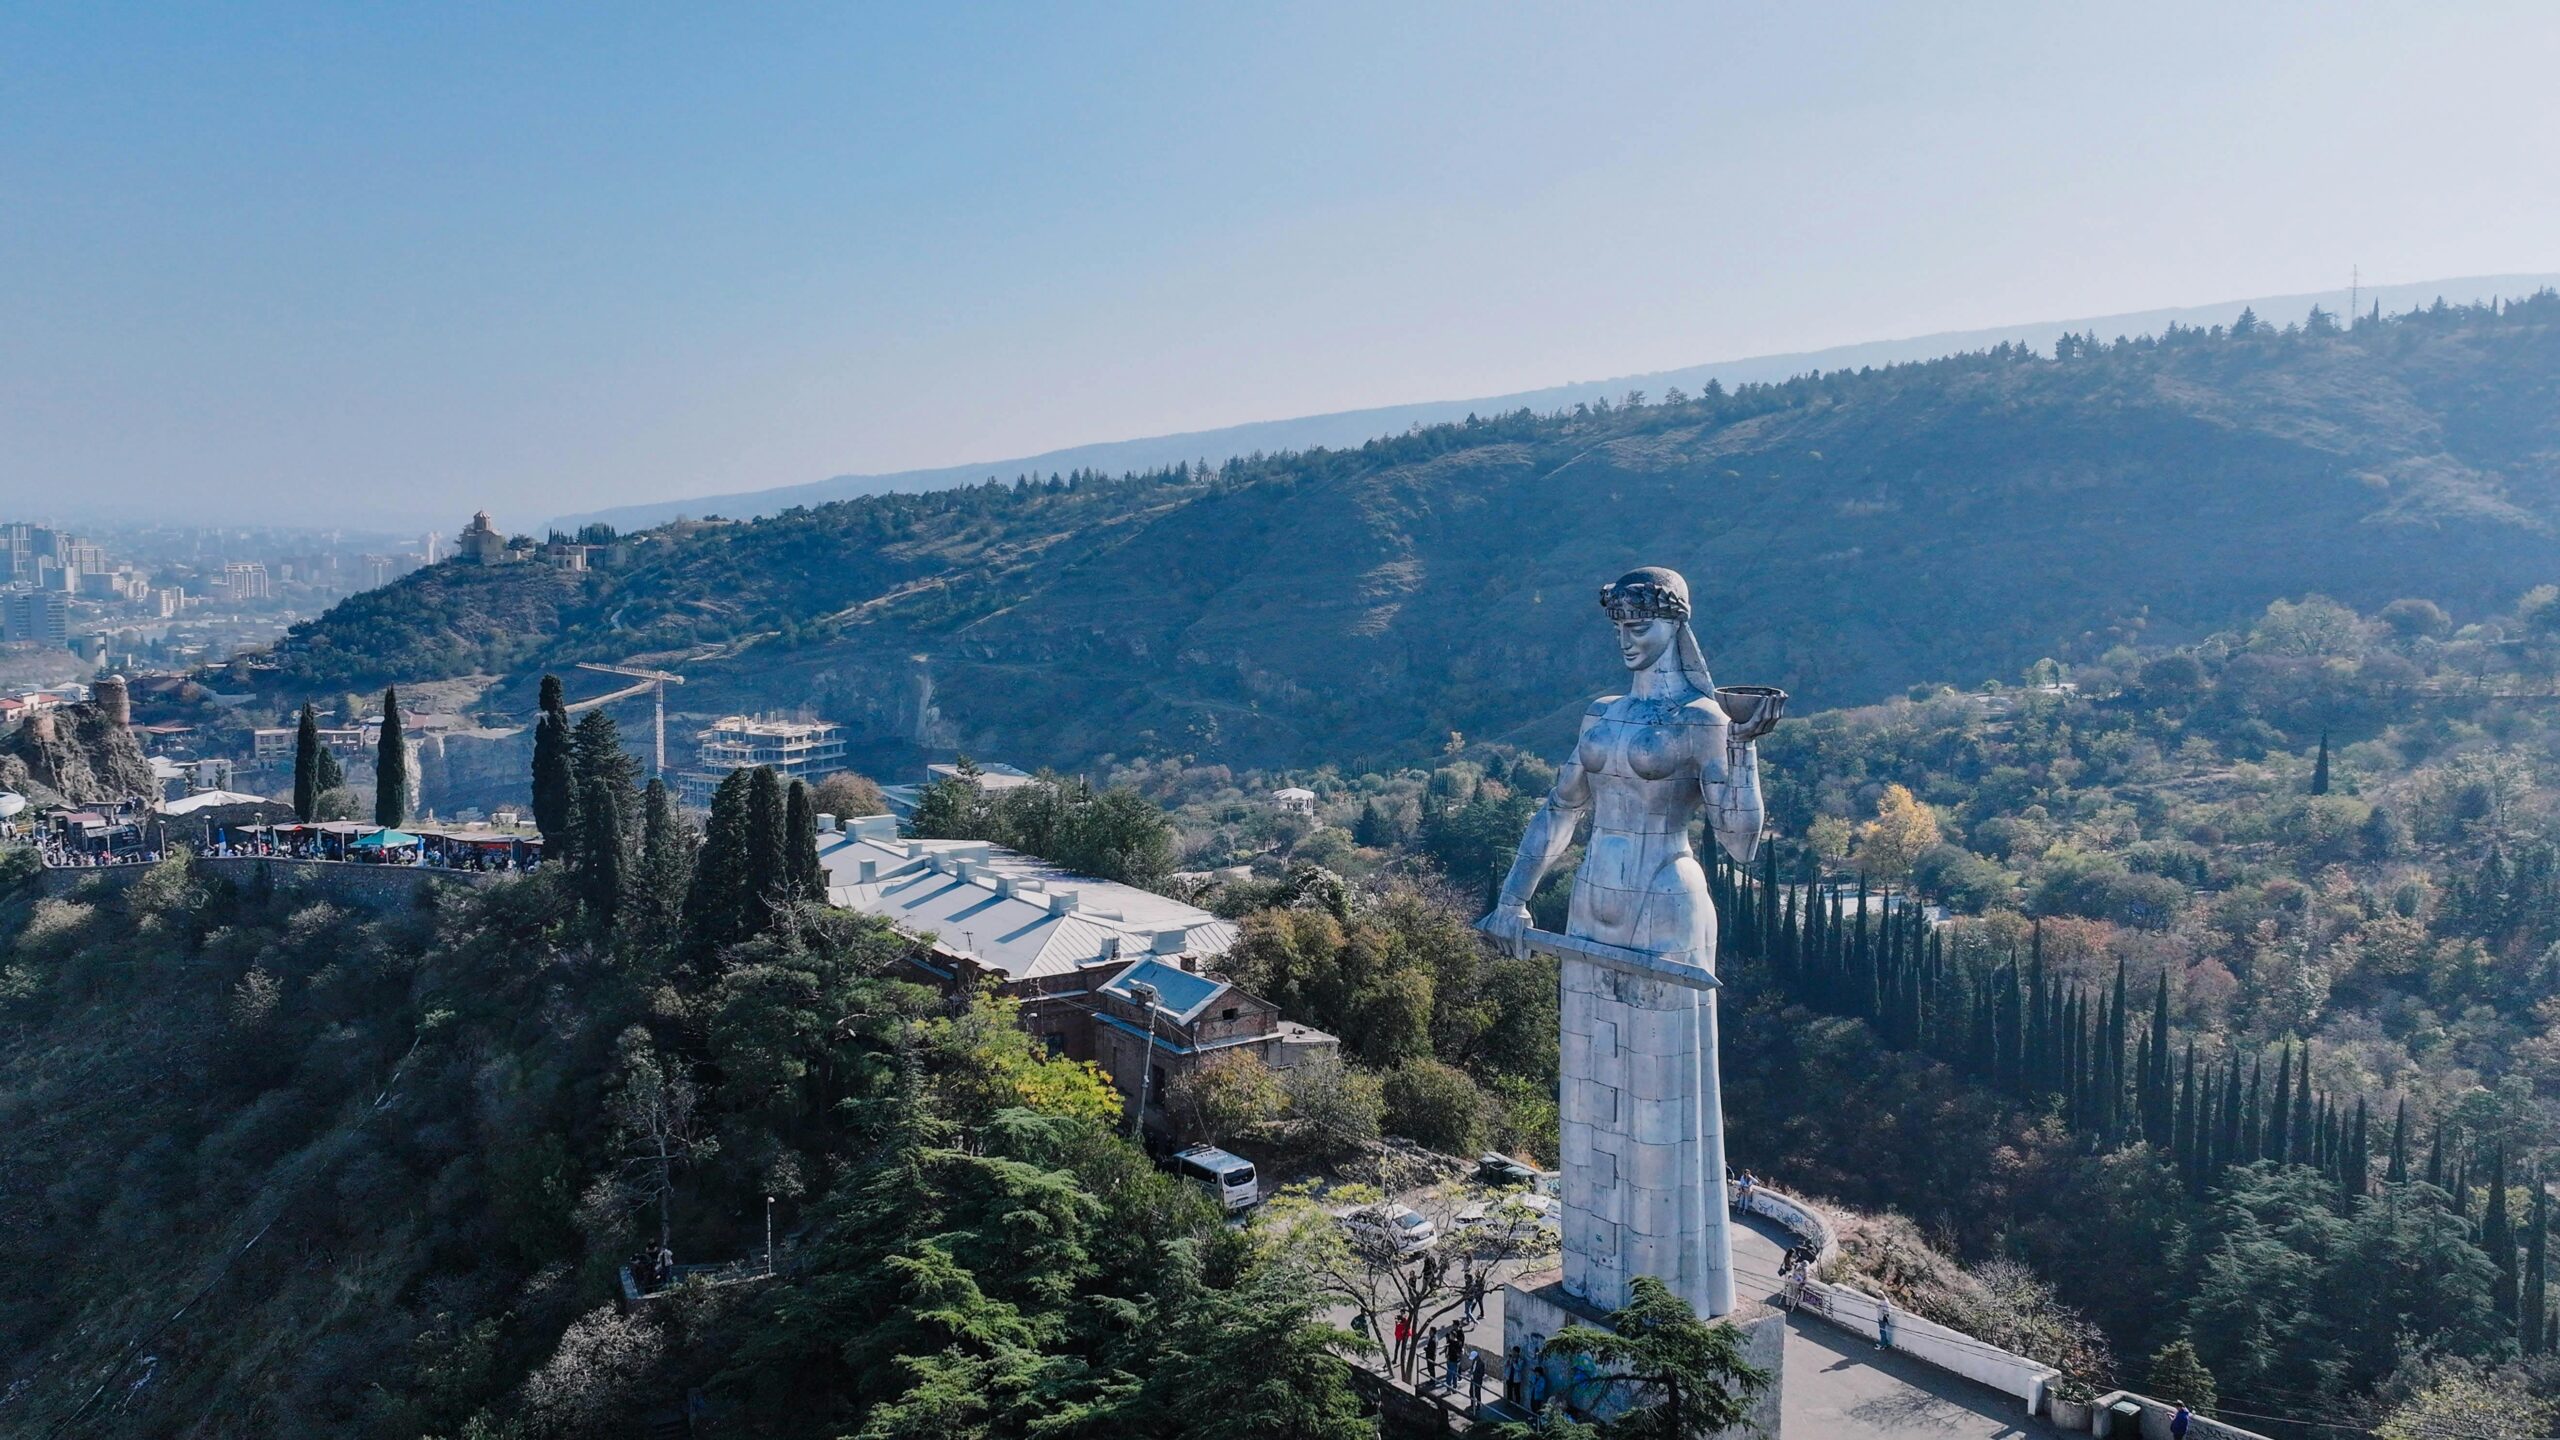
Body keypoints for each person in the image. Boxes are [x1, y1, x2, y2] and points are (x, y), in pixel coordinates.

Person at [1444, 1327, 1464, 1393]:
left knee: (1449, 1375)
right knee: (1455, 1375)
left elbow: (1450, 1350)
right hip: (1457, 1361)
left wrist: (1447, 1356)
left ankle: (1448, 1389)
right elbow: (1461, 1351)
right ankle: (1455, 1388)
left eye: (1450, 1335)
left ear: (1452, 1336)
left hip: (1452, 1360)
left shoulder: (1451, 1343)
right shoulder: (1459, 1343)